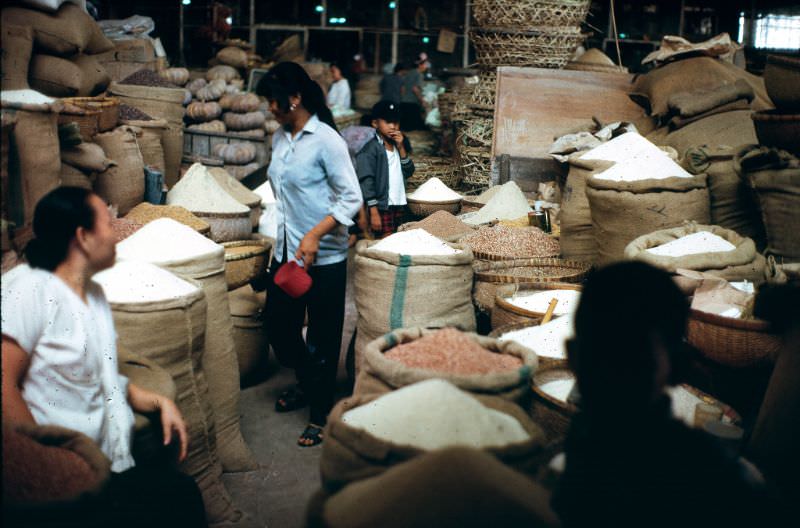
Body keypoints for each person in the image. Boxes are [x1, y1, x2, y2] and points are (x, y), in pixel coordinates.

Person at [1, 187, 205, 527]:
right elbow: (4, 384)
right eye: (108, 224)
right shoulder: (29, 290)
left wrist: (157, 402)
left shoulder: (93, 296)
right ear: (82, 237)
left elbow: (98, 377)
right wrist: (50, 465)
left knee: (182, 494)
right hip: (67, 481)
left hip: (111, 468)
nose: (116, 232)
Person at [552, 261, 775, 527]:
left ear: (573, 357)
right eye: (607, 355)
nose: (617, 369)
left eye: (631, 359)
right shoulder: (722, 477)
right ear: (680, 368)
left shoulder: (564, 469)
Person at [256, 62, 362, 447]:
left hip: (325, 258)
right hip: (287, 253)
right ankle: (307, 380)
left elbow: (352, 196)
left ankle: (320, 413)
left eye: (274, 100)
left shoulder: (327, 140)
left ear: (295, 98)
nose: (270, 107)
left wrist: (316, 233)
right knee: (278, 328)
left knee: (322, 336)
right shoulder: (281, 139)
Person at [355, 100, 415, 238]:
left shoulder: (397, 145)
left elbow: (409, 171)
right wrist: (374, 211)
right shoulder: (371, 149)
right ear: (375, 123)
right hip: (382, 206)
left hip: (398, 202)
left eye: (396, 122)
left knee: (399, 238)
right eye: (388, 122)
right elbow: (366, 180)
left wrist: (401, 148)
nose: (393, 126)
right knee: (385, 240)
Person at [399, 53, 429, 131]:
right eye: (425, 64)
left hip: (404, 103)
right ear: (420, 65)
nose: (426, 67)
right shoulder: (419, 74)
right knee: (414, 128)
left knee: (405, 128)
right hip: (412, 104)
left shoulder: (409, 73)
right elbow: (415, 89)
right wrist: (422, 101)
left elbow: (403, 88)